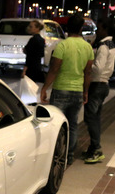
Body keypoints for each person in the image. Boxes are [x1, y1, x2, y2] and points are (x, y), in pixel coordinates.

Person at [40, 14, 94, 166]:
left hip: (61, 90)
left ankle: (56, 155)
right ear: (81, 28)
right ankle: (69, 156)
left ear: (67, 28)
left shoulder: (62, 46)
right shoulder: (87, 47)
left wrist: (45, 88)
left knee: (56, 124)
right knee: (73, 124)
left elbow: (54, 69)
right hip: (77, 91)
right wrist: (85, 92)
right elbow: (88, 72)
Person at [83, 17, 115, 164]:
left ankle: (96, 148)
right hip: (104, 85)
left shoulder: (103, 46)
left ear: (105, 29)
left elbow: (97, 69)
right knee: (95, 117)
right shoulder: (112, 45)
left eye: (99, 28)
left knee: (91, 118)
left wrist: (86, 67)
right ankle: (93, 147)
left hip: (97, 85)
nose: (97, 31)